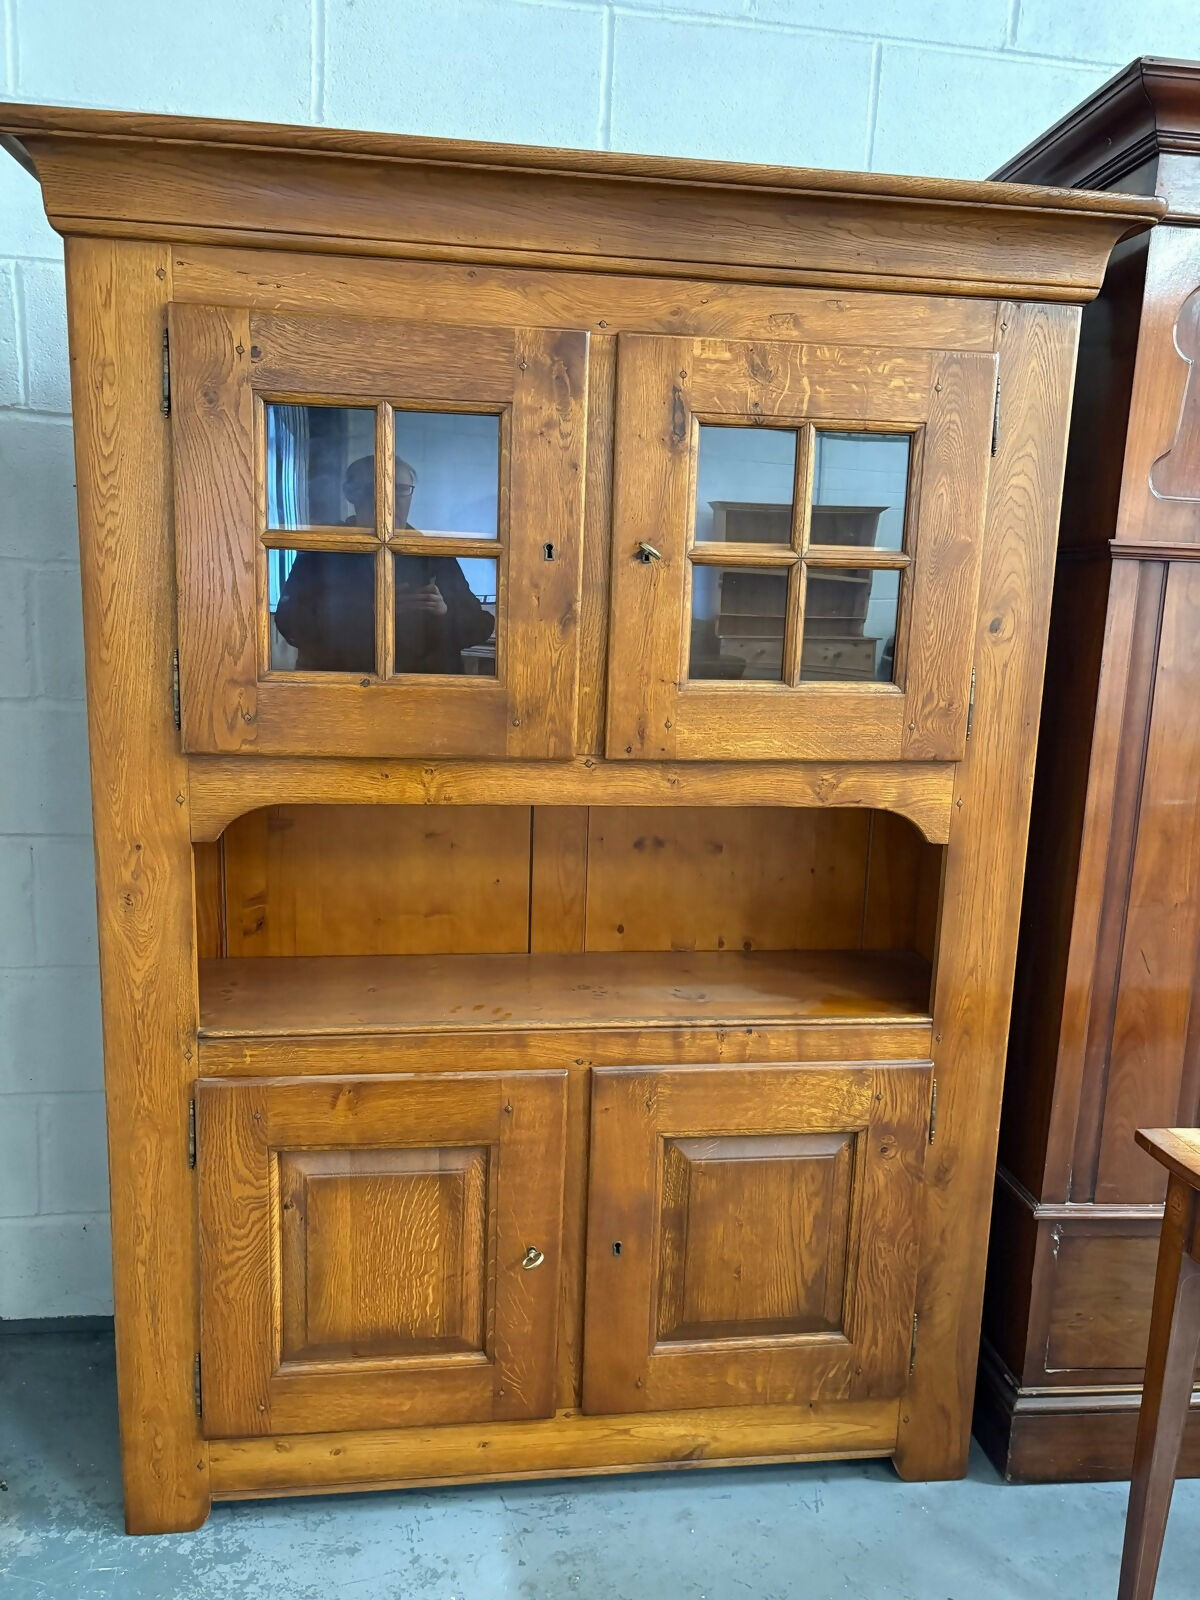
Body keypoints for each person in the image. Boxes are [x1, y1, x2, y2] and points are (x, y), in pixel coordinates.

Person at [274, 454, 495, 674]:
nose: (387, 498)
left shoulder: (433, 552)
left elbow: (481, 625)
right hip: (347, 689)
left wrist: (443, 611)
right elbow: (290, 623)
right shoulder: (322, 552)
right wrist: (368, 611)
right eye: (373, 488)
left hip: (426, 692)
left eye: (400, 489)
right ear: (350, 494)